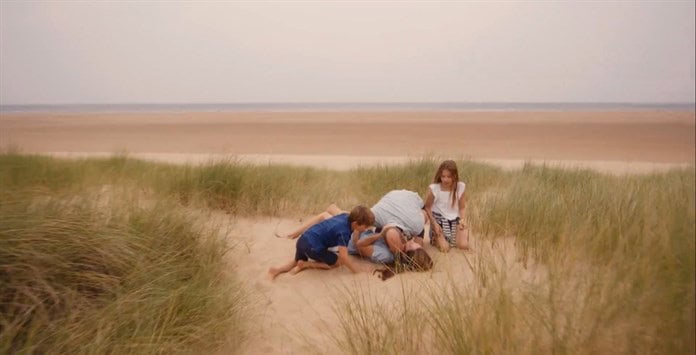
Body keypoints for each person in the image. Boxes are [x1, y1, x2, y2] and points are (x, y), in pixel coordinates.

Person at [267, 205, 375, 280]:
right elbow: (344, 257)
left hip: (303, 239)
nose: (365, 229)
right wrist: (357, 271)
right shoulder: (344, 232)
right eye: (365, 227)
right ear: (356, 223)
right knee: (338, 262)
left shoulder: (345, 216)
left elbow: (350, 213)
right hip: (313, 247)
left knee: (296, 261)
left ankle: (276, 270)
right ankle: (306, 264)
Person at [424, 160, 470, 252]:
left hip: (454, 220)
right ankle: (434, 237)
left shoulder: (460, 187)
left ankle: (452, 236)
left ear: (455, 176)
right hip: (439, 220)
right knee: (445, 248)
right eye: (443, 176)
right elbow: (427, 207)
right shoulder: (434, 188)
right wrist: (434, 224)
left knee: (463, 245)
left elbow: (462, 207)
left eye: (449, 176)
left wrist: (462, 219)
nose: (445, 179)